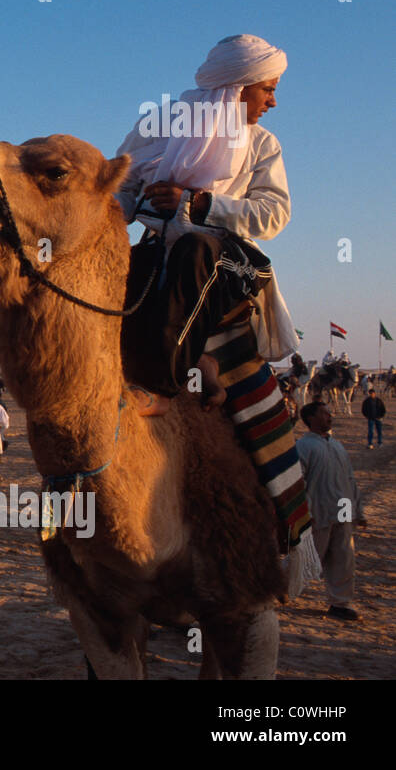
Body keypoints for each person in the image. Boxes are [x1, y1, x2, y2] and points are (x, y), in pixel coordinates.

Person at [115, 34, 315, 560]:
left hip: (228, 261)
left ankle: (164, 382)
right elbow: (117, 184)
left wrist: (201, 202)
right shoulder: (162, 124)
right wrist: (135, 204)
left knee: (196, 252)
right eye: (267, 89)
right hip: (158, 247)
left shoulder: (263, 145)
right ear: (238, 87)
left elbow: (273, 214)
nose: (273, 101)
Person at [296, 403, 366, 621]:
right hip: (319, 512)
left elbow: (350, 479)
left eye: (329, 412)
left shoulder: (337, 445)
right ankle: (272, 593)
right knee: (305, 560)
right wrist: (305, 512)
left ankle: (339, 603)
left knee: (344, 558)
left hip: (344, 511)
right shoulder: (303, 446)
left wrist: (359, 510)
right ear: (310, 418)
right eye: (324, 413)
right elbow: (299, 482)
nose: (329, 416)